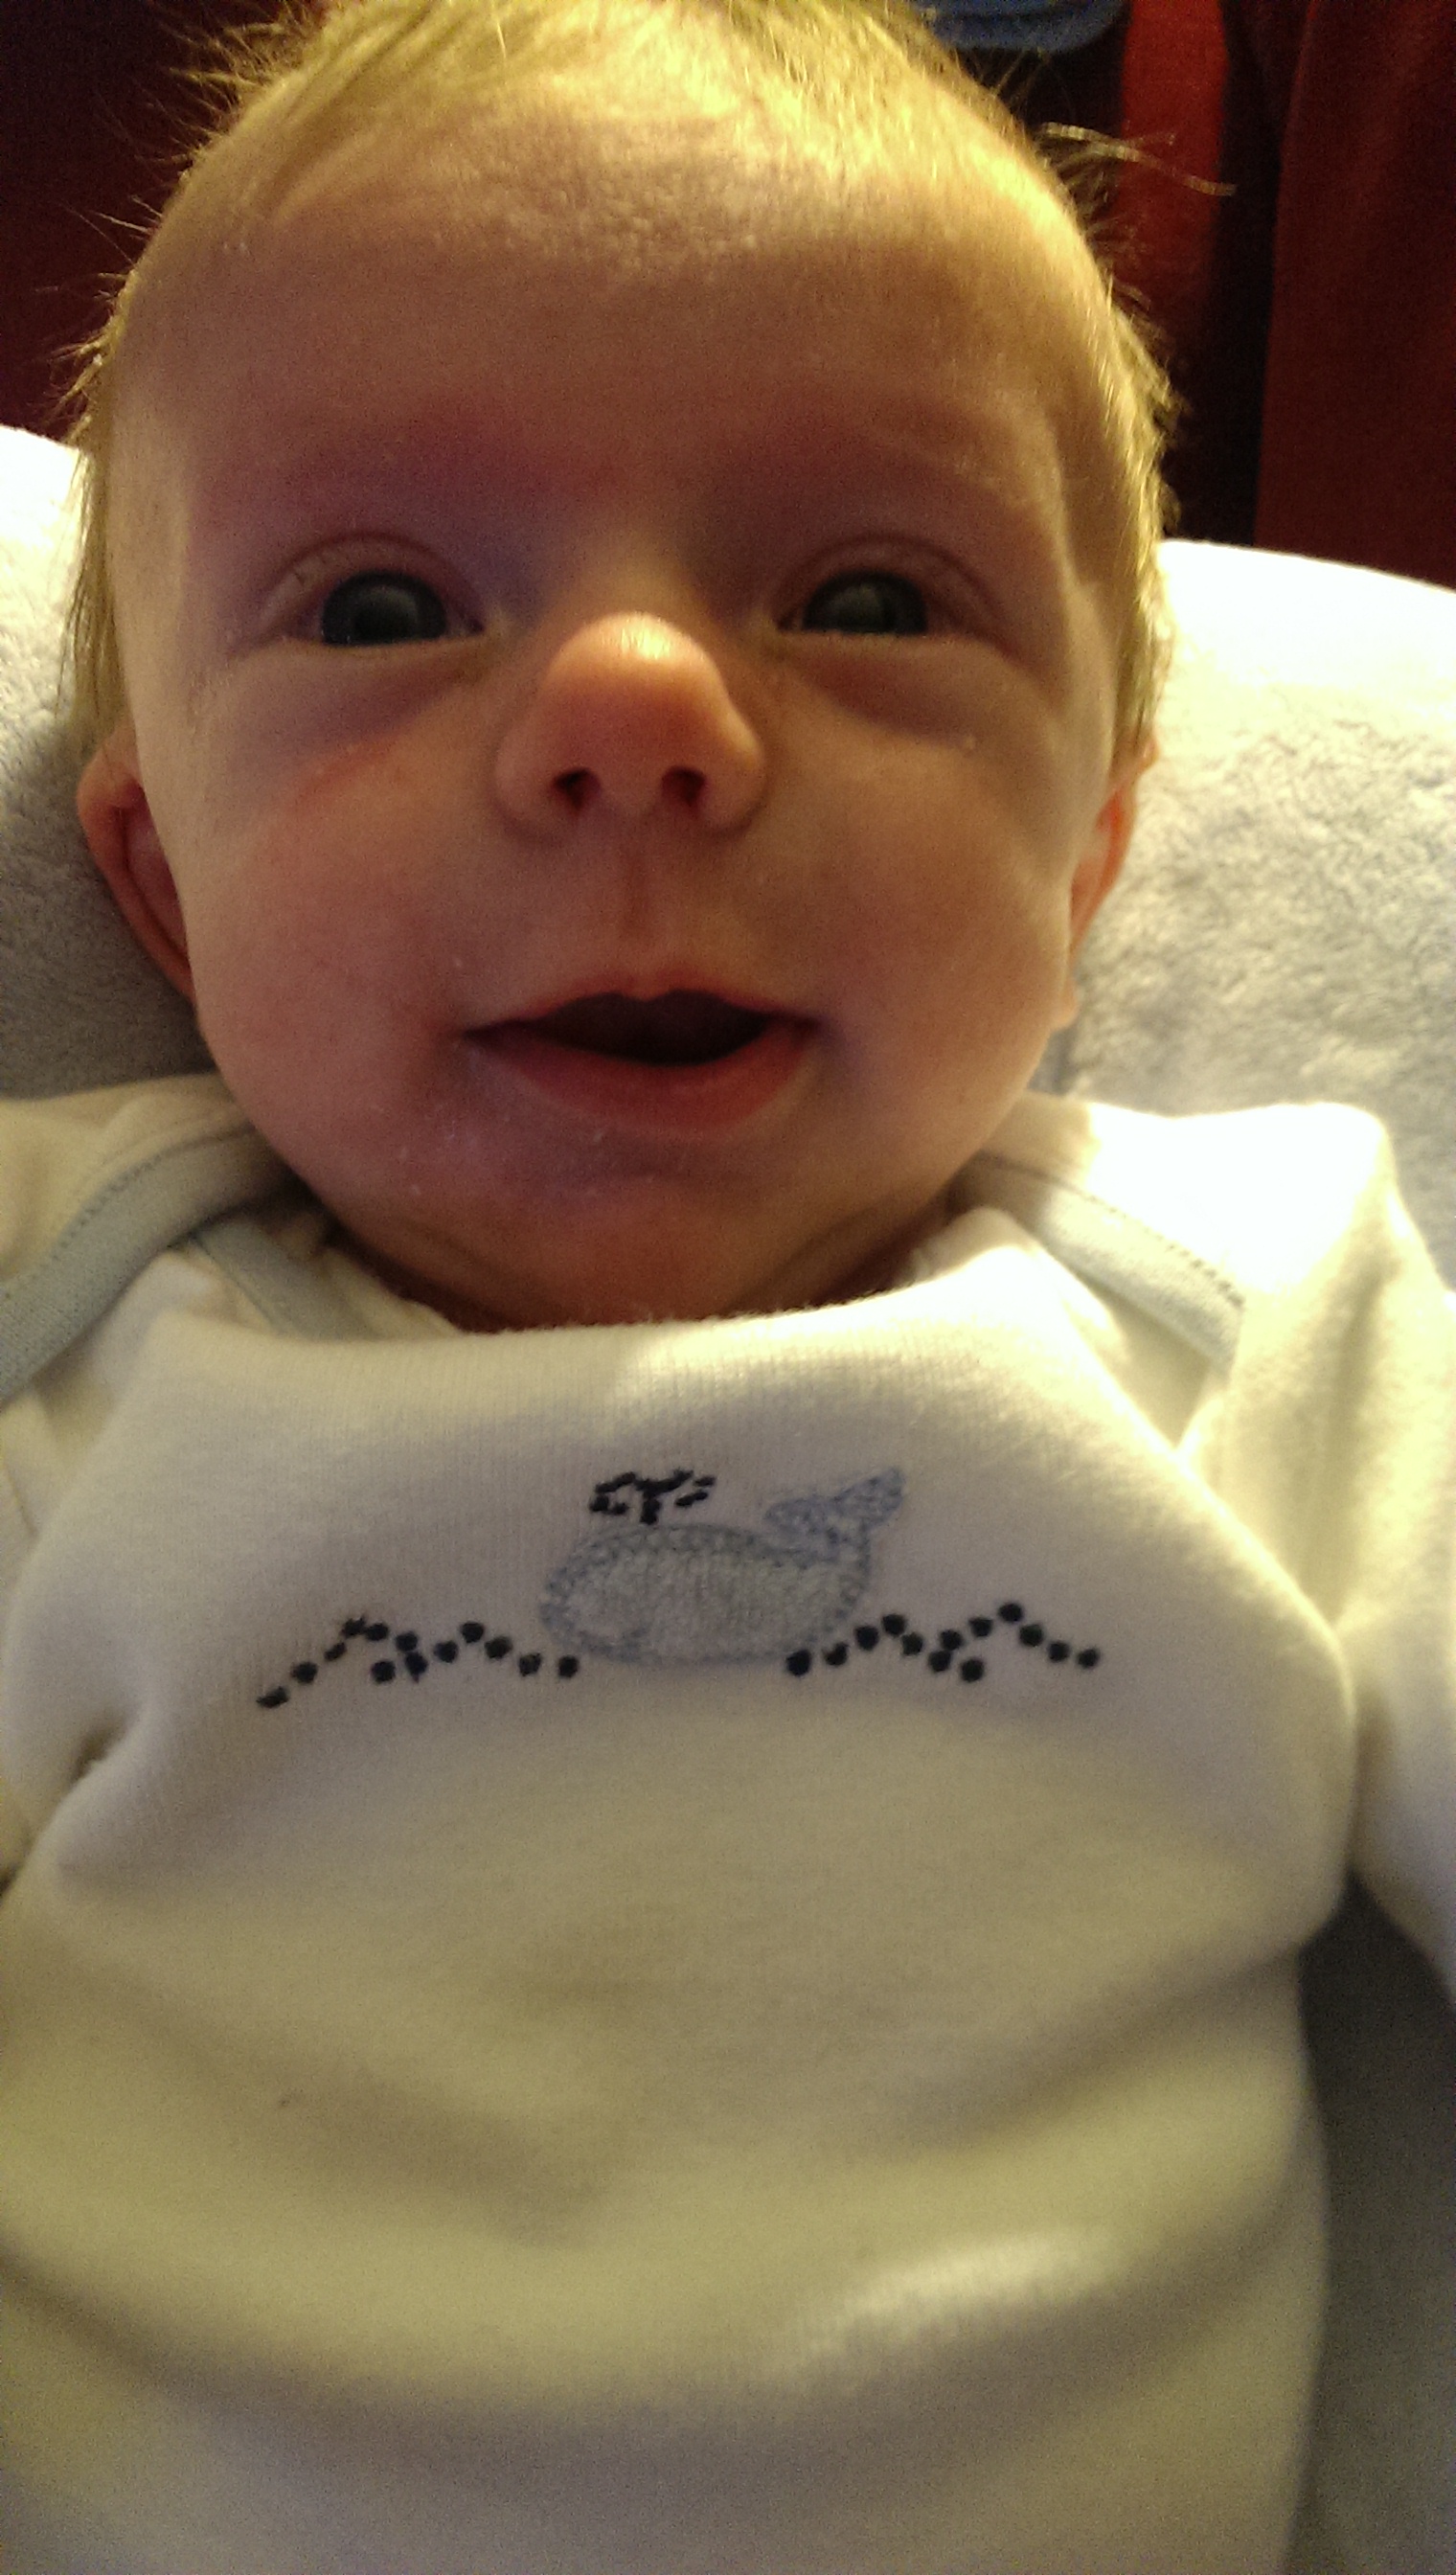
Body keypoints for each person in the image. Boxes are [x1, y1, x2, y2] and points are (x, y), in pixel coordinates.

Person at [0, 0, 1449, 2565]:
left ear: (1094, 858)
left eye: (866, 595)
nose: (635, 711)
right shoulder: (71, 1308)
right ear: (161, 891)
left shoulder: (1246, 1304)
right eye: (382, 605)